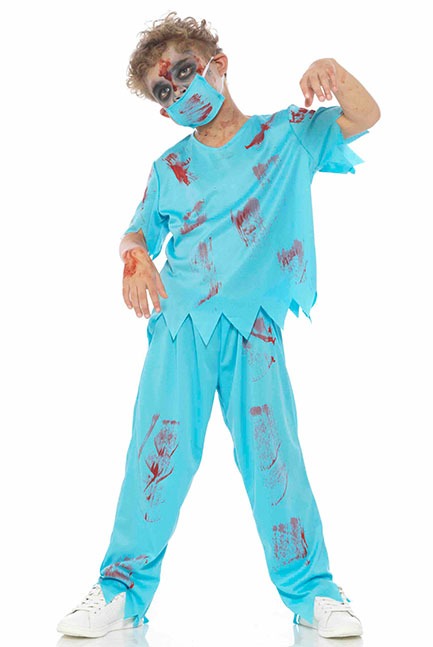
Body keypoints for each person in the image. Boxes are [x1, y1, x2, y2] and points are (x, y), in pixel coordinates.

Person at [57, 11, 380, 641]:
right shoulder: (169, 168)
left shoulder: (286, 135)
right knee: (156, 456)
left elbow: (366, 116)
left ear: (218, 66)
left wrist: (334, 73)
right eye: (165, 90)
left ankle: (314, 591)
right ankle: (120, 589)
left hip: (254, 330)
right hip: (180, 328)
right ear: (162, 111)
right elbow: (136, 232)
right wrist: (134, 259)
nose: (180, 91)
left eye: (185, 72)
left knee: (274, 458)